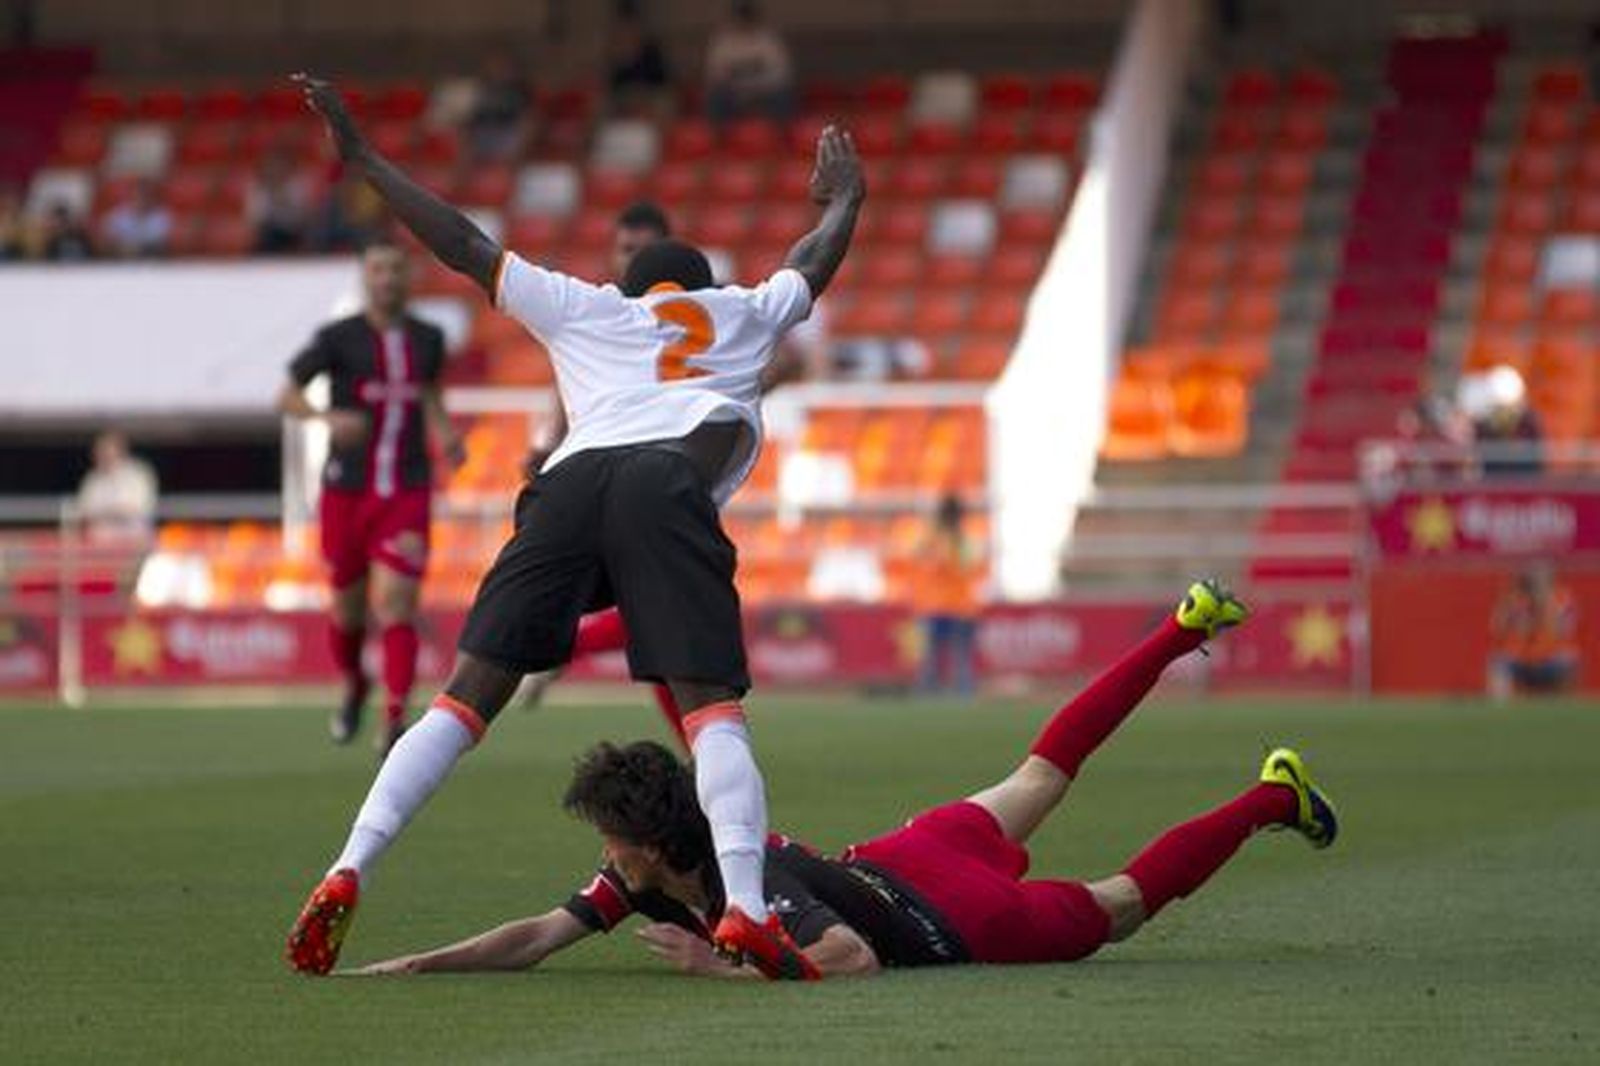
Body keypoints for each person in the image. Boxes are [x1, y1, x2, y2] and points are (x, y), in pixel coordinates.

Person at [284, 73, 864, 979]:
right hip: (667, 480)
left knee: (463, 699)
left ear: (629, 289)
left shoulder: (588, 305)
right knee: (711, 710)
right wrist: (847, 200)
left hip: (569, 483)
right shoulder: (743, 310)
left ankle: (348, 864)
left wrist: (363, 159)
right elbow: (814, 260)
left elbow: (462, 242)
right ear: (700, 286)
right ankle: (749, 910)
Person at [350, 581, 1339, 981]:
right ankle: (1182, 626)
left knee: (1121, 904)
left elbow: (852, 955)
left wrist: (720, 968)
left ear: (647, 845)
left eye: (610, 838)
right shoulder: (660, 871)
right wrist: (409, 967)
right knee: (1042, 771)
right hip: (910, 854)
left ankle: (1274, 796)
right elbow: (535, 936)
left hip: (961, 921)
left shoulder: (745, 885)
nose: (602, 855)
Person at [277, 238, 465, 755]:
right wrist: (325, 418)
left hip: (407, 488)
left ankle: (395, 716)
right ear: (365, 277)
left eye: (396, 269)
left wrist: (445, 434)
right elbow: (285, 395)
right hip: (347, 490)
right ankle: (354, 684)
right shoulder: (338, 338)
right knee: (348, 610)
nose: (388, 279)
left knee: (397, 602)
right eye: (378, 270)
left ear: (408, 277)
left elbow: (429, 393)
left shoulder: (428, 338)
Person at [914, 493, 982, 696]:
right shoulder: (948, 538)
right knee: (947, 659)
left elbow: (964, 567)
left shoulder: (954, 539)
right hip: (950, 606)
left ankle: (942, 694)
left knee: (941, 659)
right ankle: (953, 694)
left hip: (948, 606)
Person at [1488, 563, 1579, 702]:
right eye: (1533, 581)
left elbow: (1564, 631)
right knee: (1499, 660)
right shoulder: (1515, 599)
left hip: (1550, 659)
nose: (1536, 586)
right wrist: (1508, 606)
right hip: (1520, 659)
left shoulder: (1561, 599)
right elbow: (1497, 629)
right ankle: (1500, 707)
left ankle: (1565, 705)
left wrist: (1546, 607)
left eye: (1541, 581)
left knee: (1569, 659)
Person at [704, 1, 795, 127]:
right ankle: (718, 136)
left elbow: (781, 75)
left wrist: (755, 89)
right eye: (740, 16)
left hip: (765, 93)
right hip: (733, 94)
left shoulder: (768, 39)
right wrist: (739, 90)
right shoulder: (723, 41)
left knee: (783, 96)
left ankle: (781, 135)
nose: (743, 21)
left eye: (747, 16)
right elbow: (715, 75)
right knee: (716, 98)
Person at [76, 430, 158, 545]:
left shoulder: (138, 474)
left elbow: (140, 507)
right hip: (100, 544)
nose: (103, 455)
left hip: (134, 541)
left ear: (120, 450)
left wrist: (109, 511)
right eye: (99, 451)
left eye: (108, 450)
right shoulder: (92, 479)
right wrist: (113, 511)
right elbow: (84, 509)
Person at [464, 49, 535, 164]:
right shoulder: (483, 89)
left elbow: (528, 117)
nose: (497, 71)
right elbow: (473, 116)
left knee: (524, 129)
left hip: (508, 132)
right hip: (484, 131)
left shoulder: (520, 90)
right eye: (493, 67)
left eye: (501, 67)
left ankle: (509, 166)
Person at [606, 0, 673, 117]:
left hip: (651, 98)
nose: (627, 32)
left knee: (664, 103)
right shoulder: (616, 54)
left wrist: (642, 94)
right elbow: (613, 88)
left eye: (631, 27)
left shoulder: (652, 51)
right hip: (625, 101)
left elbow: (664, 83)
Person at [249, 146, 314, 254]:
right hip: (268, 236)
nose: (275, 170)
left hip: (294, 233)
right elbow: (256, 218)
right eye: (271, 167)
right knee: (266, 234)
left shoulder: (296, 185)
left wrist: (282, 197)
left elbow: (301, 216)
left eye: (278, 166)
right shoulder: (259, 189)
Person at [100, 176, 174, 258]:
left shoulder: (163, 216)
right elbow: (106, 243)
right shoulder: (117, 216)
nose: (142, 199)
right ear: (131, 195)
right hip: (122, 260)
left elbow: (165, 245)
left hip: (153, 260)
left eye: (146, 195)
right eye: (138, 195)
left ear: (152, 197)